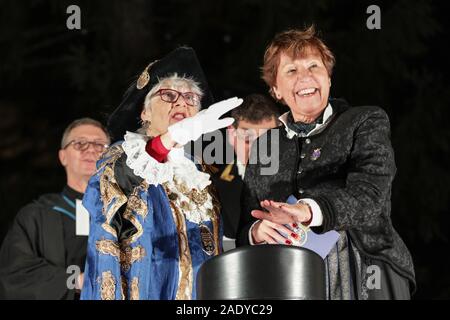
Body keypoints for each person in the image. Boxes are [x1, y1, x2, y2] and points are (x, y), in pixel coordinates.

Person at [236, 26, 416, 300]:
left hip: (366, 267)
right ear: (276, 89)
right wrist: (258, 231)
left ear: (328, 77)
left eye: (314, 67)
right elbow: (246, 225)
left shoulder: (364, 121)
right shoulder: (265, 145)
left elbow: (370, 197)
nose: (305, 77)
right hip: (289, 278)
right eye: (292, 71)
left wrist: (308, 211)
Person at [80, 47, 242, 300]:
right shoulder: (123, 159)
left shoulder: (205, 174)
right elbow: (117, 187)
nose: (181, 102)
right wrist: (171, 138)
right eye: (168, 94)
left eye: (191, 97)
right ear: (144, 112)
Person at [0, 118, 110, 299]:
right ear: (62, 157)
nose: (91, 149)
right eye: (80, 143)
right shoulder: (36, 216)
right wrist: (77, 280)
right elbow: (16, 273)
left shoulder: (126, 215)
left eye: (100, 145)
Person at [211, 94, 280, 249]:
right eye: (247, 140)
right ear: (231, 134)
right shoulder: (210, 187)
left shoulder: (302, 175)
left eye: (266, 140)